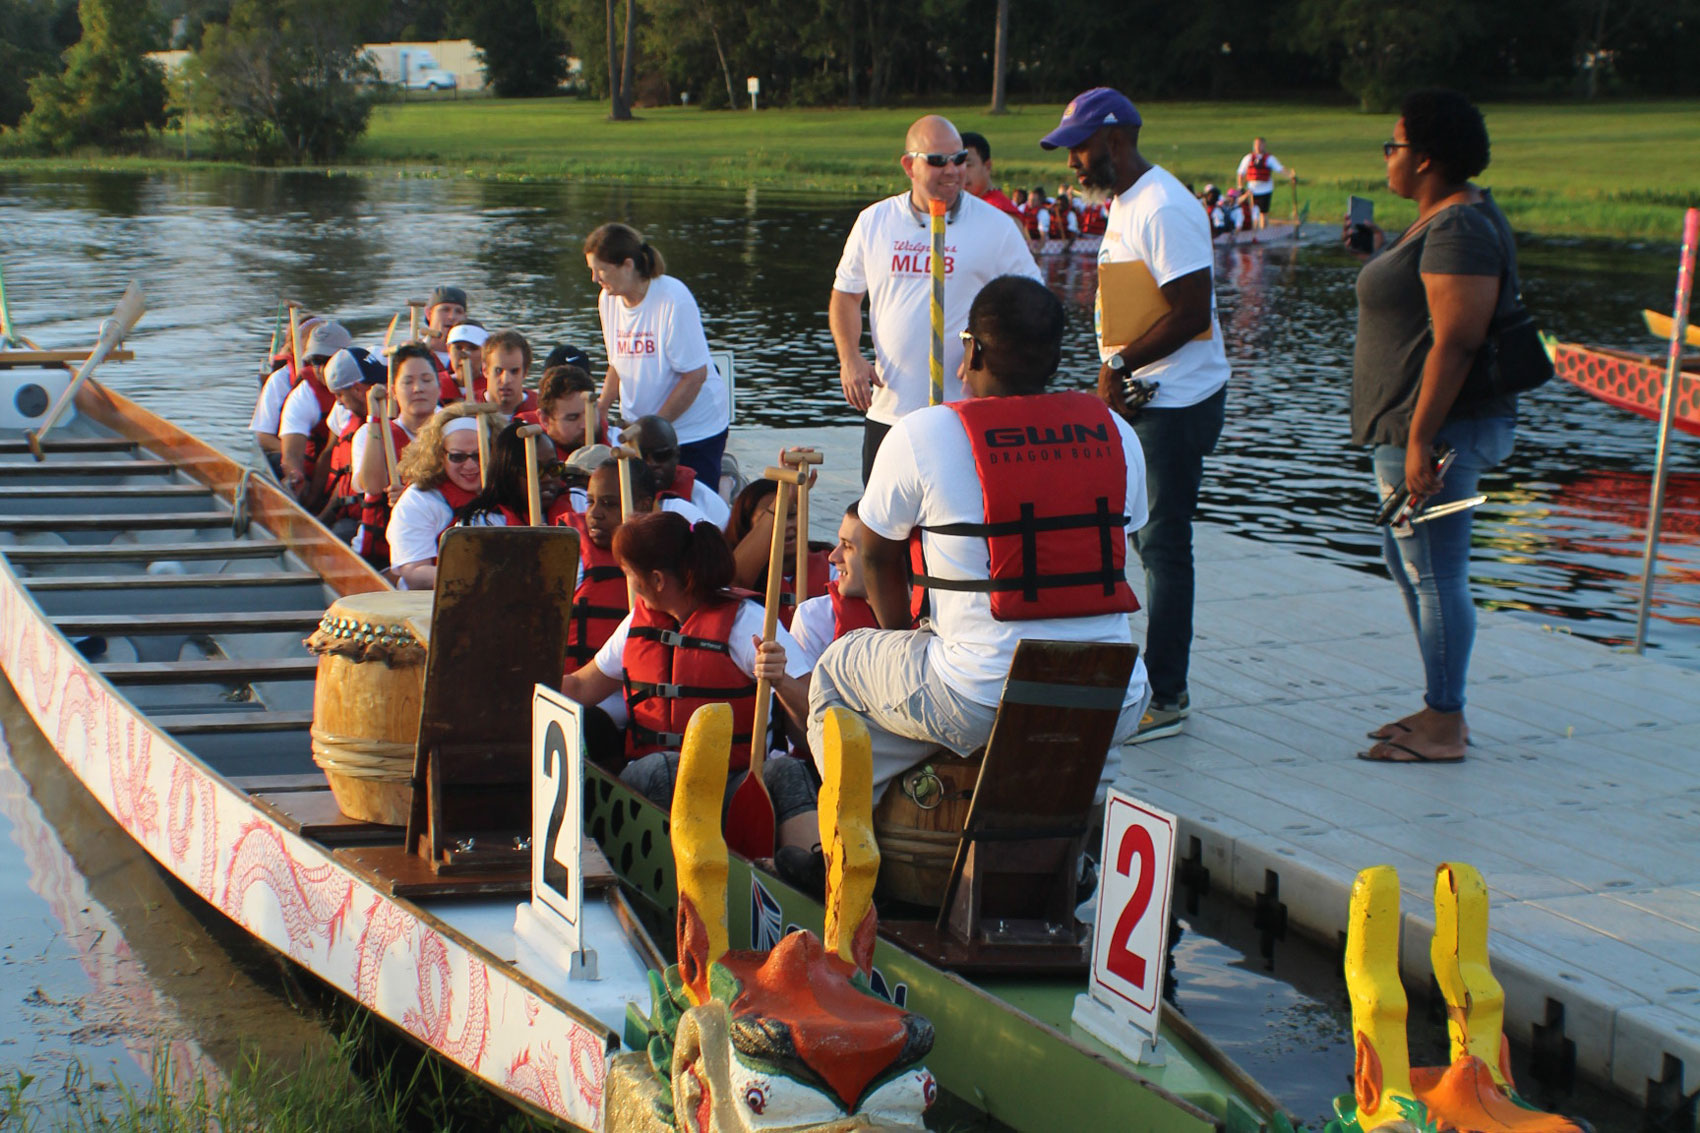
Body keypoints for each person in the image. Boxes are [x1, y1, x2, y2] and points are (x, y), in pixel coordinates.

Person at [807, 275, 1151, 797]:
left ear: (972, 350)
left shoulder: (922, 433)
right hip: (1114, 694)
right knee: (1032, 725)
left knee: (838, 668)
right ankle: (1083, 837)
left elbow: (876, 558)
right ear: (1056, 360)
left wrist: (905, 638)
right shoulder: (1118, 433)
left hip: (981, 697)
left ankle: (858, 841)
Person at [1045, 86, 1230, 743]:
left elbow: (1192, 311)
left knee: (1163, 546)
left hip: (1174, 404)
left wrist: (1118, 367)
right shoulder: (1128, 203)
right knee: (1136, 539)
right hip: (1144, 399)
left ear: (1116, 140)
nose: (1072, 164)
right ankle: (1141, 680)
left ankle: (1169, 694)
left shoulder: (1163, 207)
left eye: (1080, 149)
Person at [1349, 90, 1519, 765]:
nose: (1386, 158)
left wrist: (1420, 438)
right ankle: (1437, 704)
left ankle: (1446, 724)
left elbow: (1457, 339)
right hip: (1408, 427)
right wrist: (1377, 254)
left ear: (1425, 159)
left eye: (1393, 146)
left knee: (1435, 571)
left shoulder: (1460, 230)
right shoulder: (1443, 220)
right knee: (1410, 563)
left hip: (1438, 434)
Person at [558, 511, 819, 850]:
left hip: (732, 782)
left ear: (656, 580)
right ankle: (690, 871)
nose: (629, 583)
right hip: (654, 779)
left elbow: (816, 713)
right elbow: (581, 687)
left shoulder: (747, 623)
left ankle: (811, 877)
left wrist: (781, 680)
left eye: (628, 573)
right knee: (669, 768)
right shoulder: (637, 623)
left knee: (788, 773)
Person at [829, 114, 1042, 482]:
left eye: (960, 159)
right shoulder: (875, 221)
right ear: (909, 165)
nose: (953, 171)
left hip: (966, 412)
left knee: (960, 529)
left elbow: (1032, 301)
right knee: (884, 532)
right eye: (938, 161)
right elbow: (846, 295)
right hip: (892, 411)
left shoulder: (994, 225)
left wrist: (991, 351)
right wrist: (849, 357)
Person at [585, 223, 728, 488]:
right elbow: (617, 362)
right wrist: (602, 408)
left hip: (693, 430)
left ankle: (725, 482)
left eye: (601, 270)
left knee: (693, 509)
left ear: (627, 265)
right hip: (641, 433)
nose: (595, 278)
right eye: (592, 270)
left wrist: (652, 429)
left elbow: (695, 376)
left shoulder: (672, 299)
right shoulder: (607, 299)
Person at [387, 409, 487, 590]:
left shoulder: (508, 492)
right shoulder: (418, 501)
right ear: (440, 457)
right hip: (432, 603)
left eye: (478, 456)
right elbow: (414, 573)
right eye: (457, 457)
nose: (470, 465)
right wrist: (478, 578)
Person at [787, 500, 878, 673]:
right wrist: (780, 679)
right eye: (839, 543)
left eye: (848, 546)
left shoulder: (934, 622)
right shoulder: (813, 617)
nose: (833, 557)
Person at [727, 476, 828, 628]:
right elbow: (734, 579)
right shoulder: (738, 572)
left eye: (791, 515)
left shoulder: (833, 564)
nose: (785, 525)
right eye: (773, 517)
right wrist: (783, 497)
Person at [277, 320, 354, 501]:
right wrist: (296, 475)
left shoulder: (360, 390)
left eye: (326, 361)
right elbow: (291, 453)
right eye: (314, 361)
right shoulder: (302, 397)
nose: (319, 369)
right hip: (316, 478)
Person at [314, 348, 386, 541]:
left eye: (339, 395)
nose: (338, 403)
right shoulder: (356, 422)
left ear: (357, 390)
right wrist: (317, 522)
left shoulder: (392, 422)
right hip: (358, 515)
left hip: (379, 523)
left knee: (341, 533)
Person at [454, 419, 566, 528]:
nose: (547, 478)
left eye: (554, 468)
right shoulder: (480, 523)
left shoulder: (576, 502)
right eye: (535, 470)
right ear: (508, 473)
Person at [626, 414, 731, 528]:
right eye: (642, 456)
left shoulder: (694, 505)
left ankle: (727, 481)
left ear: (677, 456)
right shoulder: (617, 488)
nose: (652, 464)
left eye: (661, 455)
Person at [248, 314, 321, 469]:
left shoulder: (335, 376)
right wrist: (296, 454)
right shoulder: (280, 380)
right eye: (309, 338)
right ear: (295, 346)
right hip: (291, 454)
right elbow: (262, 436)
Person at [525, 363, 606, 453]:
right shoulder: (529, 457)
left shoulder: (617, 441)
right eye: (573, 418)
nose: (585, 425)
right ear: (545, 419)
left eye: (590, 413)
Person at [1235, 137, 1297, 236]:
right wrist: (1240, 187)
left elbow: (1280, 168)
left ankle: (1263, 233)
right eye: (1256, 145)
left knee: (1263, 213)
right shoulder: (1248, 158)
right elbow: (1240, 172)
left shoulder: (1269, 159)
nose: (1258, 147)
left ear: (1264, 145)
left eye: (1260, 145)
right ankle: (1252, 232)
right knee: (1252, 213)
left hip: (1265, 190)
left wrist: (1290, 175)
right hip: (1252, 191)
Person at [960, 130, 1022, 225]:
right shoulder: (961, 207)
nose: (961, 172)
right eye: (957, 165)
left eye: (968, 165)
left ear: (987, 166)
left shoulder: (1001, 213)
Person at [479, 328, 539, 415]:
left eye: (514, 371)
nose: (506, 380)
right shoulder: (466, 408)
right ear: (485, 370)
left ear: (525, 372)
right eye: (499, 371)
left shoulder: (543, 409)